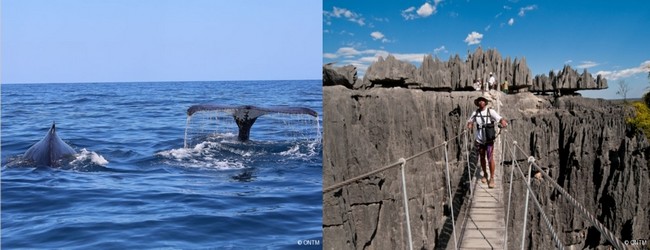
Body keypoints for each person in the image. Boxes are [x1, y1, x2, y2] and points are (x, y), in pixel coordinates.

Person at [466, 97, 508, 188]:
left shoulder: (490, 112)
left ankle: (492, 178)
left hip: (489, 140)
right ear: (478, 103)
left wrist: (503, 121)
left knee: (490, 158)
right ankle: (485, 174)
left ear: (485, 102)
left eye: (483, 101)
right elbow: (470, 121)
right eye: (479, 101)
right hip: (479, 140)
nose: (481, 102)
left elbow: (499, 118)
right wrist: (470, 124)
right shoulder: (475, 113)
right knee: (481, 157)